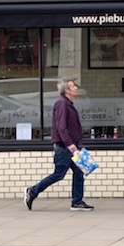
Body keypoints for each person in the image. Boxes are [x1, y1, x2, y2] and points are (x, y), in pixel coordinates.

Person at [24, 77, 94, 211]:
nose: (76, 89)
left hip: (72, 146)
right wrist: (69, 144)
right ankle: (32, 191)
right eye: (73, 87)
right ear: (67, 90)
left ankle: (77, 202)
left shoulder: (68, 103)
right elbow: (61, 126)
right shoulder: (62, 103)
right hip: (65, 147)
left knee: (79, 173)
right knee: (58, 174)